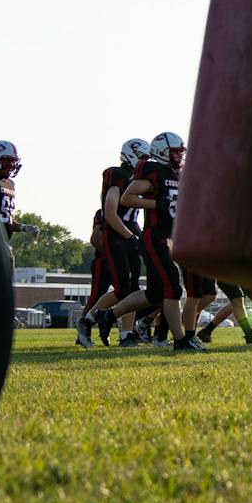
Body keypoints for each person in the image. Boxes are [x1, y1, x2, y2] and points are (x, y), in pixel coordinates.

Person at [121, 132, 203, 352]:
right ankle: (180, 340)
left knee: (156, 293)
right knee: (173, 287)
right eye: (175, 152)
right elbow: (127, 198)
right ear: (162, 151)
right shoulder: (153, 170)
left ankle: (105, 316)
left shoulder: (178, 174)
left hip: (172, 238)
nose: (179, 156)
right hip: (155, 236)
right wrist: (157, 203)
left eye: (181, 152)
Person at [77, 138, 149, 348]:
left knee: (134, 289)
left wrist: (140, 236)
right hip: (116, 235)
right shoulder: (117, 175)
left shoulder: (138, 179)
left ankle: (126, 334)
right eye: (142, 157)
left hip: (129, 232)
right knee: (122, 289)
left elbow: (133, 215)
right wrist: (130, 236)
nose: (144, 162)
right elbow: (110, 212)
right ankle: (86, 321)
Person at [0, 140, 31, 240]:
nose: (12, 164)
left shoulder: (10, 184)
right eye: (8, 160)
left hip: (0, 242)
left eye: (14, 161)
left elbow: (5, 219)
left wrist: (23, 227)